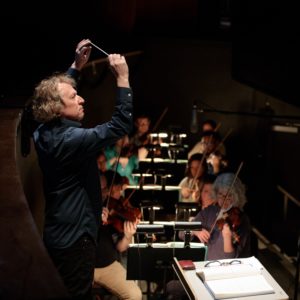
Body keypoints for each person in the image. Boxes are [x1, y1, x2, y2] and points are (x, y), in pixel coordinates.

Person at [31, 39, 133, 299]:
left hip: (58, 232)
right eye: (74, 96)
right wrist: (122, 78)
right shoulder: (71, 140)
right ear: (57, 108)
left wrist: (76, 66)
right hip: (76, 241)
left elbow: (55, 94)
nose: (82, 98)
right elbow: (120, 125)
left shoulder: (43, 129)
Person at [166, 172, 252, 299]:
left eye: (229, 195)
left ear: (237, 196)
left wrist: (227, 236)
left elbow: (230, 258)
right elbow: (181, 233)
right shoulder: (209, 212)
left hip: (230, 274)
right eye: (221, 195)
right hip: (207, 270)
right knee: (171, 286)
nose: (224, 199)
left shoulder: (241, 220)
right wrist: (196, 230)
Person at [94, 171, 142, 300]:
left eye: (105, 189)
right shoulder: (81, 206)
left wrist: (127, 236)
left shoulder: (109, 209)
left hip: (108, 265)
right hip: (84, 264)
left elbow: (120, 247)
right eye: (100, 189)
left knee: (135, 295)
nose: (104, 193)